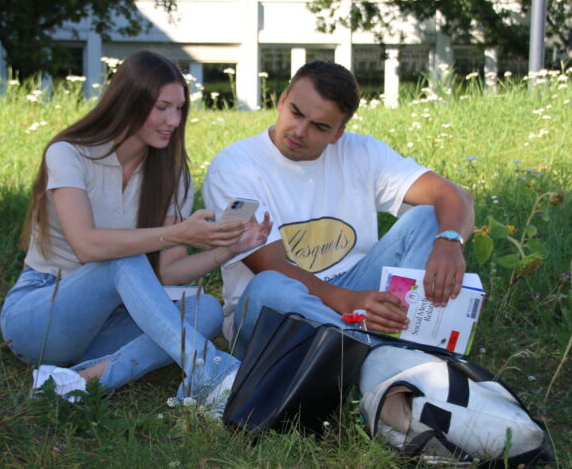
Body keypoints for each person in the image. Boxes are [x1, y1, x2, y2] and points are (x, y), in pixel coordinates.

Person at [1, 50, 270, 409]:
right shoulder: (69, 154)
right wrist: (177, 234)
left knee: (205, 308)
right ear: (128, 101)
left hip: (110, 322)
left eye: (179, 109)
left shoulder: (172, 175)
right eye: (162, 107)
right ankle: (212, 370)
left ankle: (80, 381)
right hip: (42, 314)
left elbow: (169, 270)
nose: (173, 120)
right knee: (121, 260)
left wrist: (228, 248)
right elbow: (87, 246)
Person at [202, 60, 474, 358]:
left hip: (358, 288)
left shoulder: (362, 152)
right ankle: (382, 354)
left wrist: (449, 241)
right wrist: (346, 301)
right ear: (282, 101)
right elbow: (270, 265)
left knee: (426, 217)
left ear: (337, 133)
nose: (299, 131)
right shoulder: (233, 167)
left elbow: (452, 194)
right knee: (269, 287)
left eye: (319, 127)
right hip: (278, 309)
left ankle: (392, 336)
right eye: (296, 113)